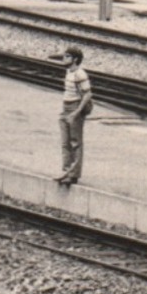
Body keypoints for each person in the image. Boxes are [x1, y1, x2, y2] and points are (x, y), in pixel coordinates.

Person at [56, 45, 93, 187]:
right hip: (65, 107)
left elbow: (88, 94)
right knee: (65, 143)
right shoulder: (68, 72)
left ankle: (73, 174)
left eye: (67, 56)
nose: (63, 58)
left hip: (74, 107)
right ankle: (66, 171)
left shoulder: (80, 74)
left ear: (75, 59)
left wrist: (75, 113)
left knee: (75, 142)